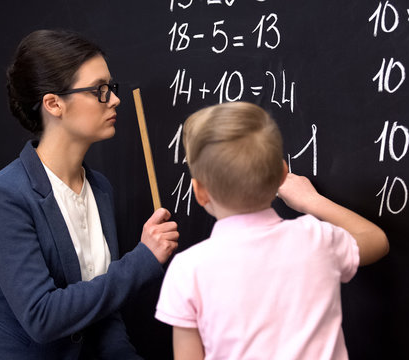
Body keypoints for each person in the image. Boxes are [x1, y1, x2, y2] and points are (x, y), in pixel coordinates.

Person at [0, 29, 179, 359]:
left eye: (111, 88)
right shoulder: (6, 195)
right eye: (99, 91)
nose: (115, 99)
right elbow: (42, 317)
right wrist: (143, 259)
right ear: (53, 104)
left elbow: (104, 311)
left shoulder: (100, 188)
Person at [154, 101, 389, 359]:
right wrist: (311, 201)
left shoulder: (188, 270)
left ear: (199, 192)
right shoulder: (318, 239)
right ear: (283, 173)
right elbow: (376, 240)